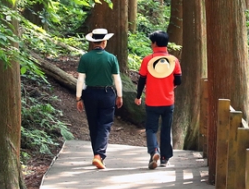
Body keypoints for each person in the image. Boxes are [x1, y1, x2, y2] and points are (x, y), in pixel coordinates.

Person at [76, 28, 123, 169]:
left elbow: (80, 80)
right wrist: (120, 95)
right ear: (104, 41)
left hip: (89, 94)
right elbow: (117, 79)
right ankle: (99, 155)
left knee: (93, 125)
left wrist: (78, 97)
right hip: (107, 94)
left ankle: (97, 155)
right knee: (105, 124)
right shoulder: (111, 58)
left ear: (92, 42)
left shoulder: (85, 58)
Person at [134, 30, 181, 169]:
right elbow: (179, 80)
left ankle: (154, 150)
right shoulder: (174, 61)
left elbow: (142, 80)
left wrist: (138, 96)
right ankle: (165, 158)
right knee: (166, 129)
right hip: (168, 101)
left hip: (152, 101)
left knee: (151, 128)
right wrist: (169, 87)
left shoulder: (148, 60)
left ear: (154, 43)